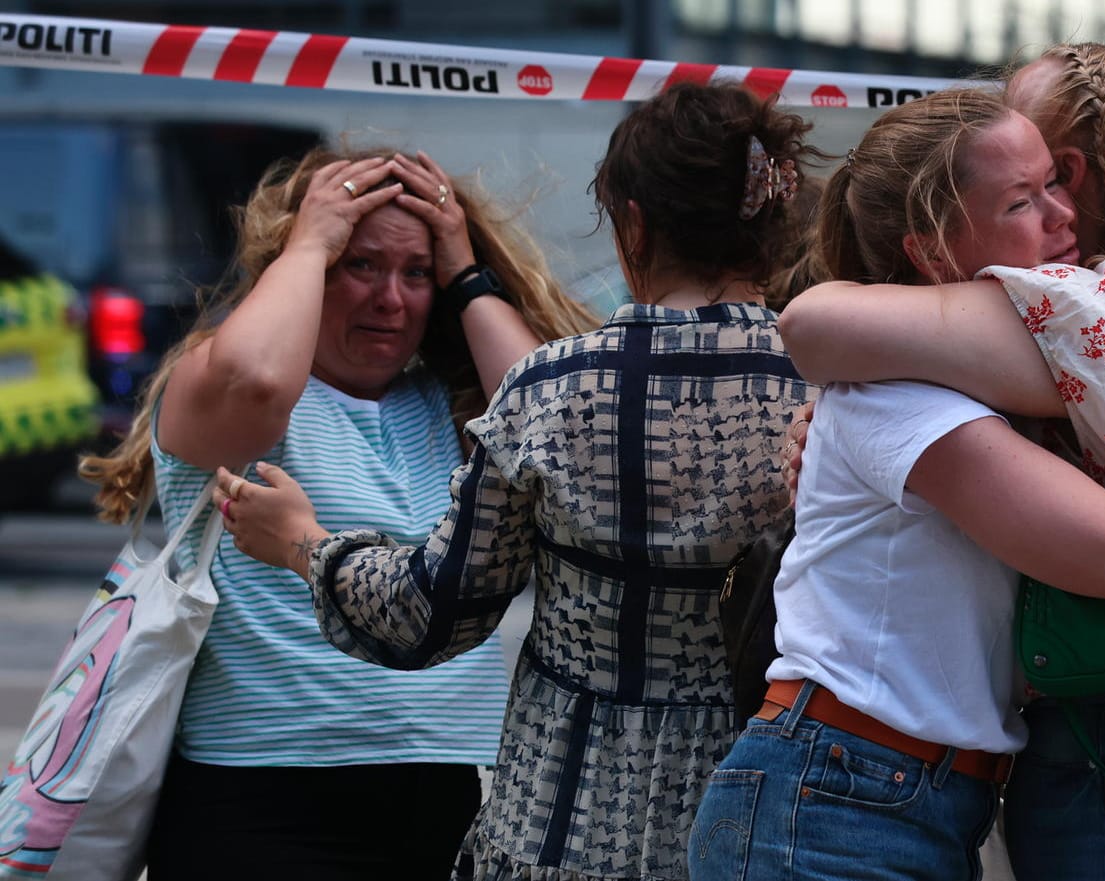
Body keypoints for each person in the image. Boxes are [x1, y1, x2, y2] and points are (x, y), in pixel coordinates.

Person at [687, 86, 1105, 881]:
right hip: (839, 794)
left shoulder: (963, 379)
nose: (1063, 216)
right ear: (928, 252)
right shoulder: (899, 394)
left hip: (891, 792)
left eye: (1058, 183)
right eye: (1024, 200)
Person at [218, 82, 818, 881]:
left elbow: (424, 616)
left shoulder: (551, 389)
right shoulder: (831, 390)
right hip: (763, 819)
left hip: (558, 824)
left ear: (634, 226)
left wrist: (304, 543)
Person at [74, 147, 597, 879]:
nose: (391, 298)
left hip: (438, 797)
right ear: (305, 269)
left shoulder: (448, 405)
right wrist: (312, 236)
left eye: (416, 273)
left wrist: (464, 271)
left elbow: (568, 438)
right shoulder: (229, 379)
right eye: (360, 265)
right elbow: (255, 376)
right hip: (259, 801)